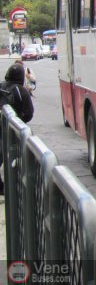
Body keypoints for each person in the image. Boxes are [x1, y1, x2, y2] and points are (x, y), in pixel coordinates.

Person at [0, 63, 35, 194]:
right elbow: (29, 113)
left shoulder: (1, 86)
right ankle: (16, 189)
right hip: (15, 130)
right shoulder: (22, 91)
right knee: (15, 157)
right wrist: (20, 122)